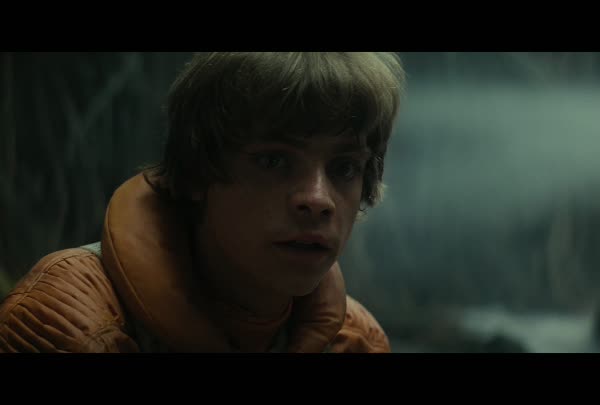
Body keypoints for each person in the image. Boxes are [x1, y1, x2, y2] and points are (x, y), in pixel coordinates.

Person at [0, 52, 405, 353]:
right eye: (273, 161)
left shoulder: (355, 341)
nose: (318, 199)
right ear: (196, 173)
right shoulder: (70, 321)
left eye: (345, 168)